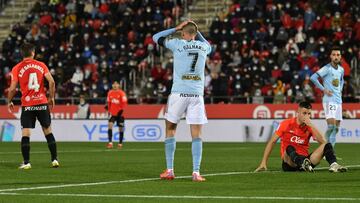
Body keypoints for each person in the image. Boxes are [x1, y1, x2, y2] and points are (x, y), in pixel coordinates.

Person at [153, 20, 212, 182]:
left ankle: (170, 170)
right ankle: (196, 172)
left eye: (182, 33)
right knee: (197, 134)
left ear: (184, 34)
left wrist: (176, 28)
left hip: (179, 93)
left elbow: (155, 37)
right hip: (196, 95)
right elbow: (208, 44)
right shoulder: (203, 47)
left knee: (170, 128)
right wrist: (196, 31)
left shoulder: (177, 44)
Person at [255, 101, 347, 173]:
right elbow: (272, 141)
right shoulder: (286, 124)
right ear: (298, 112)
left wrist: (311, 125)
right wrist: (263, 162)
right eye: (304, 113)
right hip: (289, 163)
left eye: (309, 114)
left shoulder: (309, 126)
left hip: (307, 161)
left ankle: (334, 165)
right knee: (289, 148)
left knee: (327, 144)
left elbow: (323, 142)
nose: (307, 116)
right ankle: (303, 163)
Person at [7, 43, 59, 169]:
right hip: (41, 103)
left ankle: (27, 162)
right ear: (33, 53)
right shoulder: (41, 65)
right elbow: (52, 81)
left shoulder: (17, 68)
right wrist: (51, 97)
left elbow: (13, 88)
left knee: (26, 133)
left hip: (28, 104)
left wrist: (9, 101)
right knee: (48, 131)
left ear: (21, 53)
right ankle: (54, 160)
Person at [310, 46, 344, 149]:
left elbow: (341, 80)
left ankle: (331, 151)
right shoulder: (327, 68)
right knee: (331, 126)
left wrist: (340, 89)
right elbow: (313, 78)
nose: (336, 57)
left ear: (340, 56)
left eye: (338, 55)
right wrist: (323, 89)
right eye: (334, 55)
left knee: (336, 128)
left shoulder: (341, 69)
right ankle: (323, 148)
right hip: (329, 100)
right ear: (330, 56)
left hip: (338, 100)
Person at [105, 81, 127, 149]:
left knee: (120, 129)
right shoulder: (110, 93)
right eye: (113, 84)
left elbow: (124, 103)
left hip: (120, 114)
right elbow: (108, 103)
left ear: (119, 85)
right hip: (113, 113)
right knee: (110, 125)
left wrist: (122, 110)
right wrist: (108, 110)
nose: (115, 85)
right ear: (112, 85)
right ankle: (110, 143)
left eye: (116, 84)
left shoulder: (122, 93)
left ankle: (120, 143)